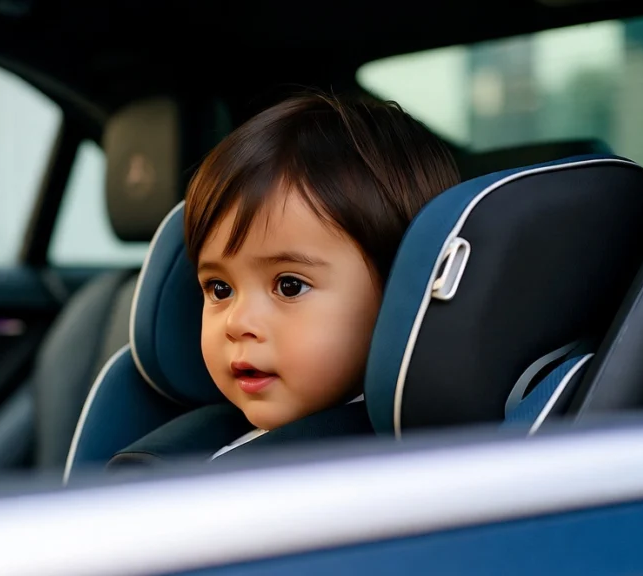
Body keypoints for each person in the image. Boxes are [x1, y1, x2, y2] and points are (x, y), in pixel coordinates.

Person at [183, 91, 461, 458]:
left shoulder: (370, 477)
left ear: (400, 294)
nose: (237, 322)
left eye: (289, 285)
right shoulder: (200, 443)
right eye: (220, 289)